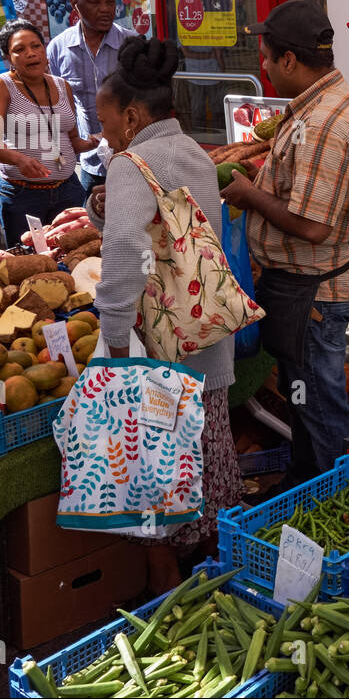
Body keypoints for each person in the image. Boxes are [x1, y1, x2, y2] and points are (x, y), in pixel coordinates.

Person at [85, 36, 237, 594]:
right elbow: (174, 240)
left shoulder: (133, 162)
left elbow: (125, 253)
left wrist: (114, 336)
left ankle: (166, 594)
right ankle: (212, 584)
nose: (104, 137)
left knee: (159, 474)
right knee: (203, 470)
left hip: (159, 351)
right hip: (204, 335)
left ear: (130, 116)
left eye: (105, 125)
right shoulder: (194, 152)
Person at [219, 0, 349, 490]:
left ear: (289, 60)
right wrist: (263, 182)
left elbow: (312, 226)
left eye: (266, 59)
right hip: (304, 290)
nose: (263, 69)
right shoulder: (321, 104)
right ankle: (310, 485)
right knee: (304, 401)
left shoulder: (324, 124)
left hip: (313, 296)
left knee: (322, 407)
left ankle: (342, 501)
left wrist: (248, 195)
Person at [0, 19, 99, 246]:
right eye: (19, 49)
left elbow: (72, 140)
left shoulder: (61, 85)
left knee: (73, 257)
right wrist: (20, 159)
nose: (30, 53)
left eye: (36, 46)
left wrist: (95, 142)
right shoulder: (0, 86)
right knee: (28, 263)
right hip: (24, 195)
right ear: (8, 57)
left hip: (68, 190)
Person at [45, 0, 133, 199]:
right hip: (90, 163)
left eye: (109, 2)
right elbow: (57, 104)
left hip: (134, 158)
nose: (105, 9)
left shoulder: (132, 44)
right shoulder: (58, 49)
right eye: (95, 2)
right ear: (75, 4)